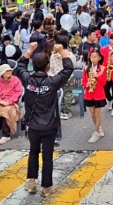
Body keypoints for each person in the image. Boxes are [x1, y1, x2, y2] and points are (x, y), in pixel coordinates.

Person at [16, 42, 73, 197]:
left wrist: (29, 51)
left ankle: (31, 182)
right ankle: (46, 188)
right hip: (49, 126)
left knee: (33, 152)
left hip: (33, 126)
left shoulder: (28, 80)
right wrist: (62, 51)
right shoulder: (52, 82)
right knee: (47, 157)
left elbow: (19, 66)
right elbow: (69, 69)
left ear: (33, 65)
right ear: (48, 66)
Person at [82, 48, 107, 143]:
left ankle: (96, 132)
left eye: (95, 57)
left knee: (97, 114)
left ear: (99, 58)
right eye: (92, 57)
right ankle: (99, 128)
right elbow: (83, 80)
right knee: (92, 114)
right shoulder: (86, 68)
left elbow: (104, 82)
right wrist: (86, 84)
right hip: (89, 93)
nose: (93, 59)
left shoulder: (102, 68)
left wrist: (97, 76)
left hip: (99, 94)